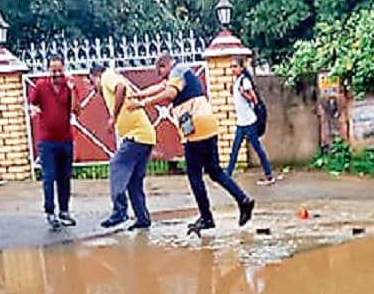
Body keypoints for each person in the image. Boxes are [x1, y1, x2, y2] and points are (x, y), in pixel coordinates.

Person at [133, 53, 255, 235]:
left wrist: (144, 103)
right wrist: (139, 94)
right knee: (215, 171)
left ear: (164, 65)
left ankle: (206, 218)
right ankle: (243, 200)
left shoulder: (177, 72)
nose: (159, 74)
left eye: (159, 70)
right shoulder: (181, 72)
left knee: (194, 175)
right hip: (208, 125)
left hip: (196, 130)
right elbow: (160, 87)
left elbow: (169, 93)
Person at [89, 63, 156, 231]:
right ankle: (142, 218)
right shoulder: (109, 78)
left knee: (116, 165)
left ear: (96, 76)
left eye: (92, 82)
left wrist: (113, 116)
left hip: (137, 136)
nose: (93, 87)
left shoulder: (107, 77)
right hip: (145, 136)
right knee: (134, 181)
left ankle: (120, 211)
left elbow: (121, 88)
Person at [28, 54, 77, 231]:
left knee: (65, 177)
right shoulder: (41, 85)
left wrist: (71, 90)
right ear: (48, 70)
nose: (56, 74)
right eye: (53, 70)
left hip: (66, 139)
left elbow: (75, 110)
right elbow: (31, 103)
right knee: (49, 177)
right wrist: (33, 109)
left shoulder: (68, 85)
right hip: (47, 141)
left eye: (59, 70)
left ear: (64, 68)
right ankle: (50, 212)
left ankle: (64, 211)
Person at [225, 58, 274, 184]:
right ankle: (227, 174)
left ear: (241, 68)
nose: (232, 69)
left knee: (258, 149)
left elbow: (254, 99)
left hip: (249, 122)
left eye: (235, 66)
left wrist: (243, 94)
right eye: (231, 67)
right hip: (241, 122)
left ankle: (269, 175)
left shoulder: (245, 81)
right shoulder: (236, 81)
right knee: (235, 148)